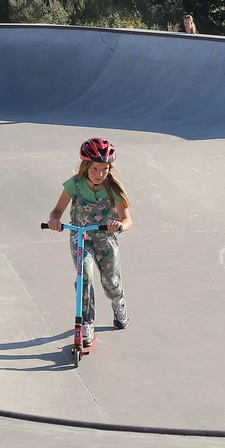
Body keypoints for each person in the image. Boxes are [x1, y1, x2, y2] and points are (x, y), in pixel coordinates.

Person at [47, 138, 133, 347]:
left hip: (105, 238)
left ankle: (118, 301)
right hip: (80, 237)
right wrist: (55, 220)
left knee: (110, 282)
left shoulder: (113, 188)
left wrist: (119, 225)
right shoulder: (74, 184)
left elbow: (127, 219)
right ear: (86, 166)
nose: (99, 173)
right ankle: (86, 322)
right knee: (84, 278)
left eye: (104, 168)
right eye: (94, 168)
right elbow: (57, 210)